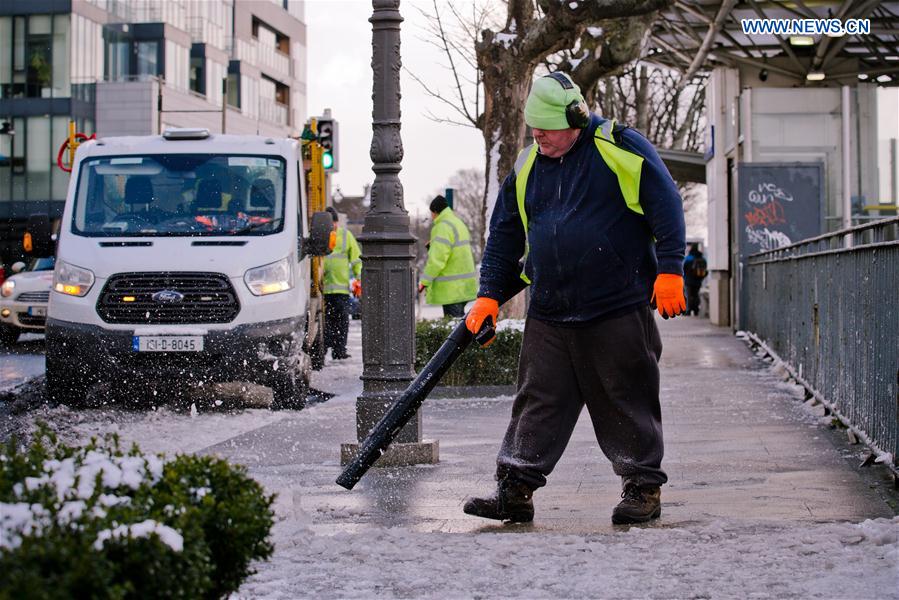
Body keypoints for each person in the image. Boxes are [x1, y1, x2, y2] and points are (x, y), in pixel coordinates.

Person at [462, 72, 686, 525]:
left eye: (545, 126)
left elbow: (666, 203)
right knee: (538, 400)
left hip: (616, 305)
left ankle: (642, 488)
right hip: (550, 310)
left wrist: (670, 270)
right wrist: (488, 296)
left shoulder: (618, 146)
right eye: (533, 127)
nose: (538, 135)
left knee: (627, 397)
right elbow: (504, 235)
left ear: (575, 119)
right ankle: (515, 490)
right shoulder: (527, 166)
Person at [418, 195, 478, 318]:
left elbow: (437, 260)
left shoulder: (442, 227)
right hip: (464, 285)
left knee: (453, 328)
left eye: (431, 213)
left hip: (451, 288)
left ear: (435, 212)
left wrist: (424, 281)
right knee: (459, 325)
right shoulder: (457, 223)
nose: (431, 217)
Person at [322, 206, 362, 360]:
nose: (333, 226)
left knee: (342, 322)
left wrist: (359, 279)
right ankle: (325, 349)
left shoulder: (346, 235)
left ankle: (339, 351)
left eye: (334, 223)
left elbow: (357, 259)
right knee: (327, 323)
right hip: (323, 290)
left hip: (341, 289)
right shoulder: (321, 236)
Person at [683, 243, 707, 316]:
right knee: (696, 295)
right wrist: (701, 278)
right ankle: (696, 310)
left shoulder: (688, 258)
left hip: (688, 280)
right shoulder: (702, 258)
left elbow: (683, 268)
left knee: (688, 295)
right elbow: (705, 270)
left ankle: (688, 311)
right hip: (698, 281)